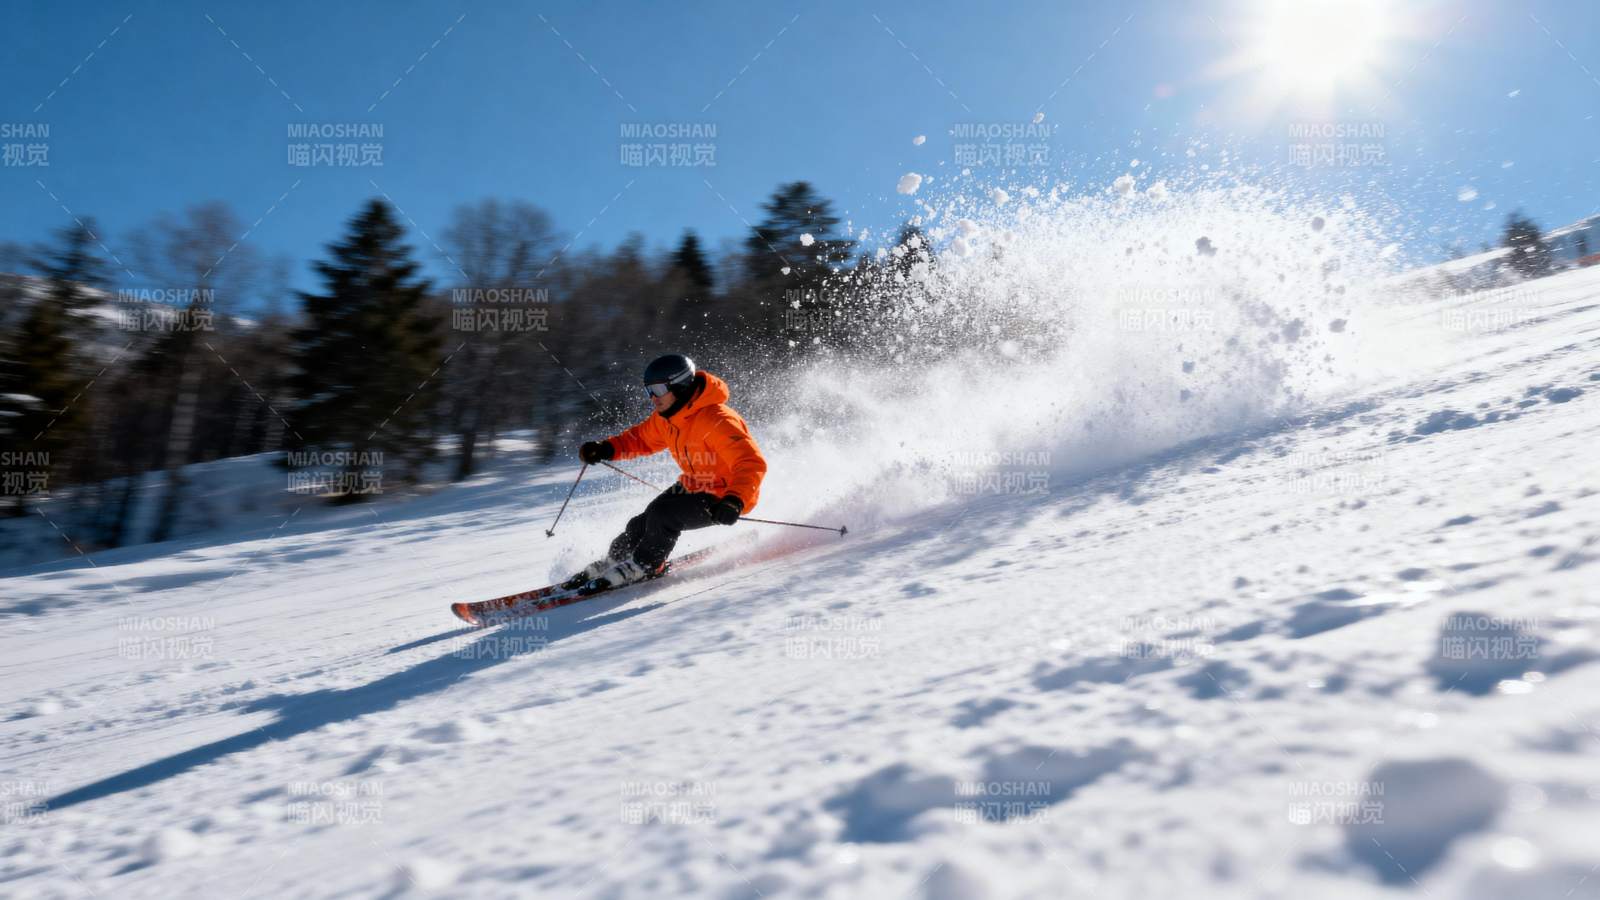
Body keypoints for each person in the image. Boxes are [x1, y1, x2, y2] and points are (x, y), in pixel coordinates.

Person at [565, 353, 767, 591]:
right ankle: (613, 560)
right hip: (695, 484)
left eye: (659, 389)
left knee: (663, 516)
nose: (653, 397)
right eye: (648, 390)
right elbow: (640, 439)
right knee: (642, 522)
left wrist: (734, 500)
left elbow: (751, 462)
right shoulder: (668, 418)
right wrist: (606, 449)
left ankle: (647, 565)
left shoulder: (718, 419)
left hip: (724, 496)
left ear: (680, 386)